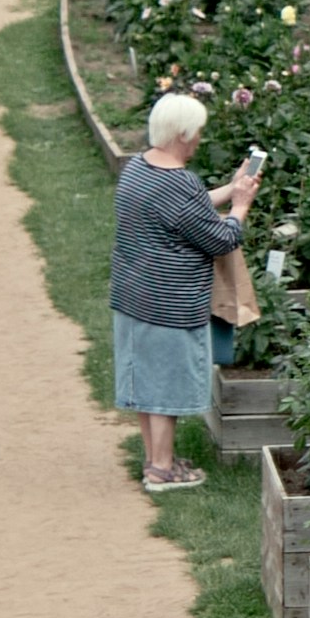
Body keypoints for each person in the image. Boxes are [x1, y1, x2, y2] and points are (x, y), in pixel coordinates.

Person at [112, 91, 261, 493]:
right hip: (170, 304)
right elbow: (221, 239)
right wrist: (241, 206)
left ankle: (155, 459)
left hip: (133, 296)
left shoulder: (138, 169)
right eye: (196, 133)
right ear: (183, 134)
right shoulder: (180, 183)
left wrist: (229, 190)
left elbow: (185, 211)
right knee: (165, 386)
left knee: (146, 385)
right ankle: (161, 471)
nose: (199, 140)